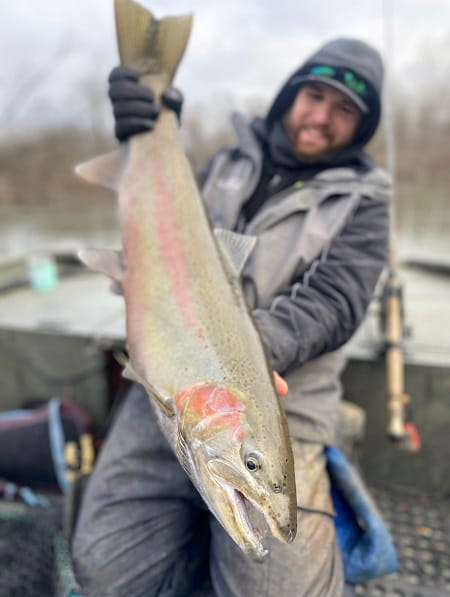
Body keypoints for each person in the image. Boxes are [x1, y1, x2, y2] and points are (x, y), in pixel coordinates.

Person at [72, 37, 391, 596]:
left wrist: (245, 357)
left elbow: (336, 301)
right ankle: (203, 531)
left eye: (345, 111)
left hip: (289, 408)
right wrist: (146, 126)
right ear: (291, 94)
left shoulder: (366, 200)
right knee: (105, 572)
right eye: (315, 96)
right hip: (166, 387)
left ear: (361, 129)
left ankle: (221, 521)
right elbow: (155, 225)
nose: (322, 117)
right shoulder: (224, 164)